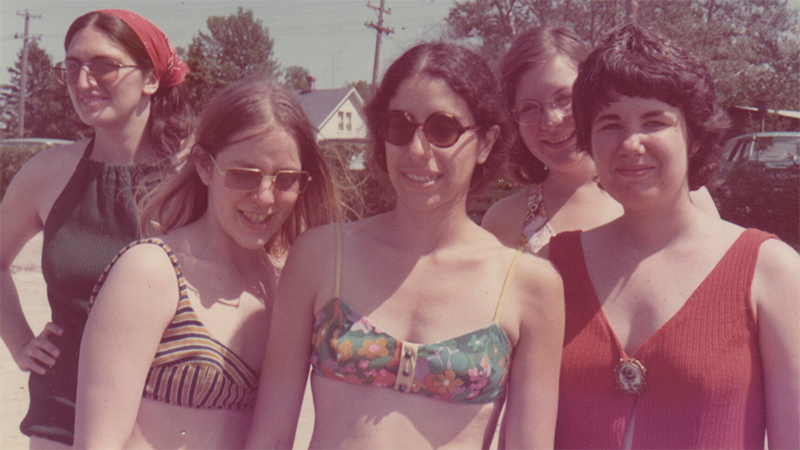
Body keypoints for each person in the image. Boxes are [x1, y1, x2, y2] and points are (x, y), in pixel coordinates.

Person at [245, 43, 564, 449]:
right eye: (400, 126)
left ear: (485, 142)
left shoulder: (529, 285)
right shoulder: (321, 255)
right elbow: (270, 436)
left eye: (443, 130)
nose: (417, 150)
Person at [549, 24, 799, 449]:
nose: (631, 142)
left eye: (654, 120)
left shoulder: (771, 270)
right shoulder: (552, 267)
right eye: (610, 123)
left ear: (695, 136)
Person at [72, 76, 341, 449]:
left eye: (285, 180)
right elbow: (98, 442)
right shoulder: (150, 271)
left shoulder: (286, 287)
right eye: (243, 175)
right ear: (204, 166)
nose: (264, 197)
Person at [0, 9, 190, 448]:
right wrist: (21, 343)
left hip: (168, 422)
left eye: (104, 65)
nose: (83, 82)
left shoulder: (195, 174)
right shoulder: (46, 173)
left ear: (150, 78)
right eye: (72, 67)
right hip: (62, 417)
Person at [482, 26, 717, 253]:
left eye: (564, 98)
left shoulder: (681, 196)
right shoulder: (503, 219)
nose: (551, 121)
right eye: (530, 109)